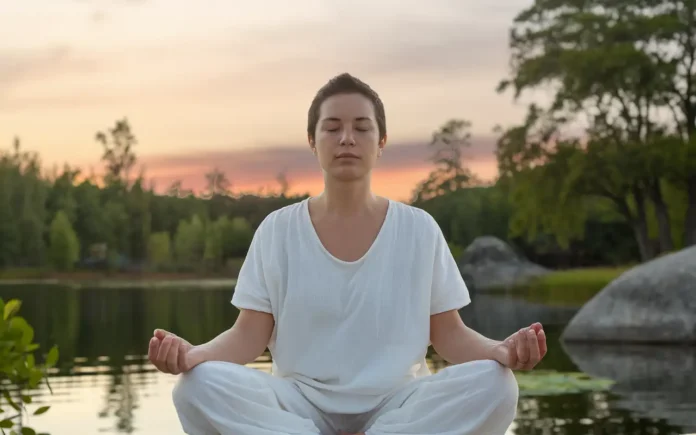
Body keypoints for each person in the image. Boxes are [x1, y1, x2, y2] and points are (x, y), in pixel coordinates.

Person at [148, 73, 547, 435]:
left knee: (496, 384)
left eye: (361, 127)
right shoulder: (278, 230)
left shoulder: (418, 228)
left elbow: (448, 334)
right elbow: (248, 336)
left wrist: (500, 351)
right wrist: (192, 356)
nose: (347, 139)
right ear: (313, 141)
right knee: (196, 387)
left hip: (398, 406)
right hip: (299, 404)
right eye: (332, 127)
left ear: (381, 142)